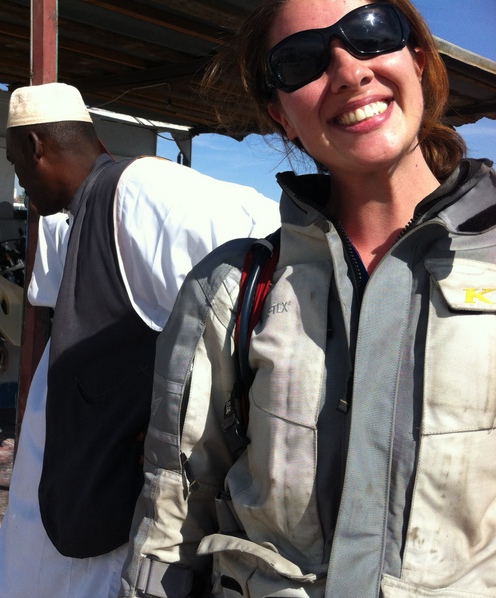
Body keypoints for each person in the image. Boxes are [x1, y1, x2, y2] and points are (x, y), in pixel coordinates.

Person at [121, 1, 496, 597]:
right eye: (302, 61)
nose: (350, 70)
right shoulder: (230, 289)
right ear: (281, 117)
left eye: (372, 34)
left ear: (418, 61)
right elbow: (174, 508)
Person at [0, 82, 280, 597]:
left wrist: (180, 423)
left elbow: (264, 273)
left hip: (112, 499)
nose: (18, 181)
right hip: (61, 482)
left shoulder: (144, 191)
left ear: (36, 147)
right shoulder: (66, 214)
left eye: (16, 163)